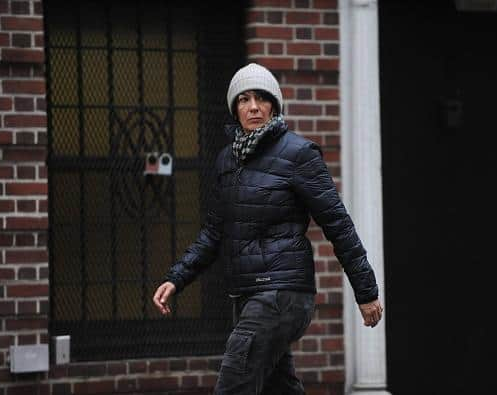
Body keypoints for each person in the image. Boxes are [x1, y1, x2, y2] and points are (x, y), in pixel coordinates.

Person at [153, 63, 383, 394]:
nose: (254, 107)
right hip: (248, 296)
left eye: (261, 98)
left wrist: (366, 291)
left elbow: (338, 223)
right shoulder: (227, 160)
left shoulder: (298, 154)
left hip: (282, 294)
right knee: (279, 388)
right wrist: (176, 278)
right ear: (235, 108)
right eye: (244, 100)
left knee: (234, 384)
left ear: (273, 105)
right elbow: (214, 233)